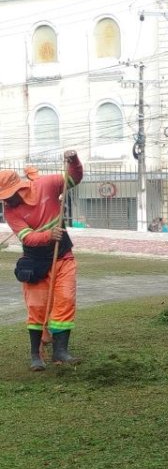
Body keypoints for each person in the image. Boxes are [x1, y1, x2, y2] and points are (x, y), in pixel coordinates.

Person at [0, 150, 84, 371]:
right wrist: (48, 235)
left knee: (65, 300)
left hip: (62, 255)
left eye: (8, 195)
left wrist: (73, 160)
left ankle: (60, 351)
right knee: (37, 307)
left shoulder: (46, 184)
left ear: (19, 187)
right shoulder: (10, 211)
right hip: (35, 262)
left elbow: (74, 178)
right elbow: (26, 237)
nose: (6, 201)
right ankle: (36, 354)